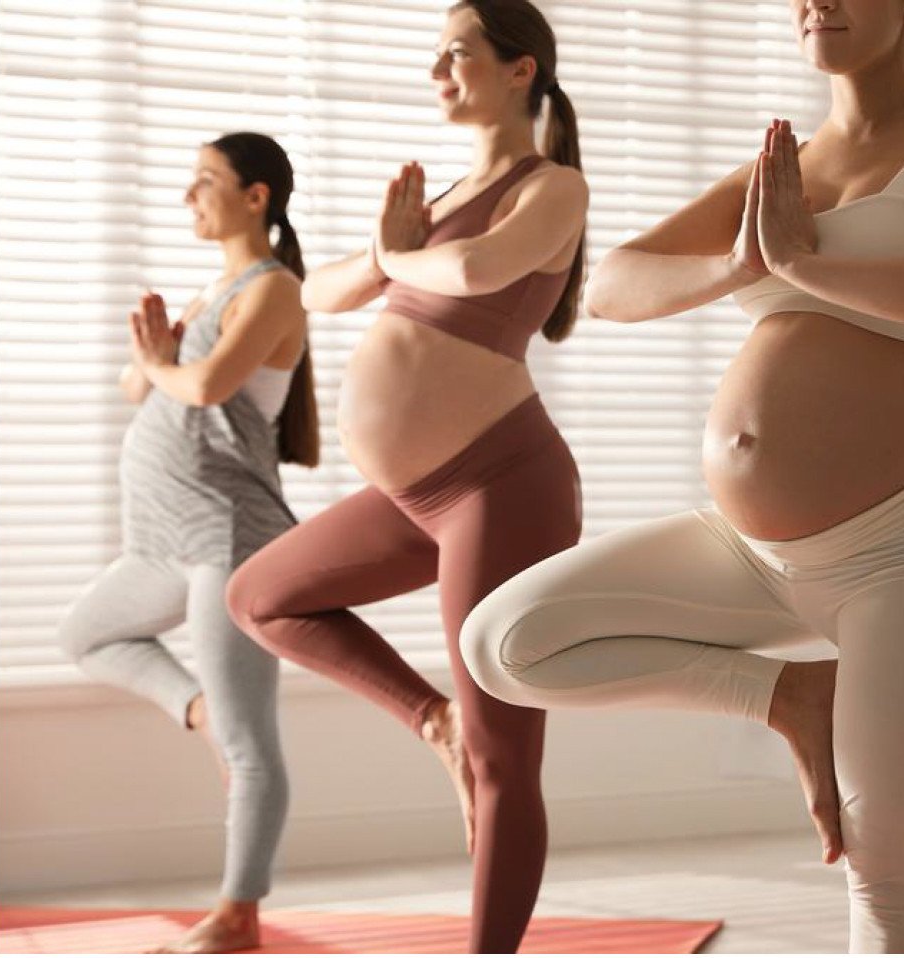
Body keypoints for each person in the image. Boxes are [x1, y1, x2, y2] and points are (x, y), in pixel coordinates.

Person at [459, 1, 904, 951]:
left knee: (884, 876)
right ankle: (788, 696)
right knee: (503, 645)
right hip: (747, 549)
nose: (820, 2)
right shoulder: (781, 170)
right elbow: (611, 284)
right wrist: (740, 264)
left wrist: (803, 265)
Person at [224, 1, 587, 951]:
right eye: (434, 55)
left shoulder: (552, 189)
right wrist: (393, 245)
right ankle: (432, 723)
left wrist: (394, 251)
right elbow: (320, 291)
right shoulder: (429, 209)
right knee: (260, 596)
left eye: (458, 52)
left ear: (520, 70)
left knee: (505, 755)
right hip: (412, 497)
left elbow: (479, 268)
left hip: (501, 483)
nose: (439, 69)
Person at [58, 131, 316, 954]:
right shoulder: (214, 290)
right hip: (163, 537)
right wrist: (157, 355)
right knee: (86, 634)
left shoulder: (275, 290)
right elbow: (141, 382)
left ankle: (238, 917)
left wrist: (168, 364)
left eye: (205, 181)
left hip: (227, 535)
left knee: (250, 745)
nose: (187, 195)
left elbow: (203, 385)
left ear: (256, 198)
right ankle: (198, 709)